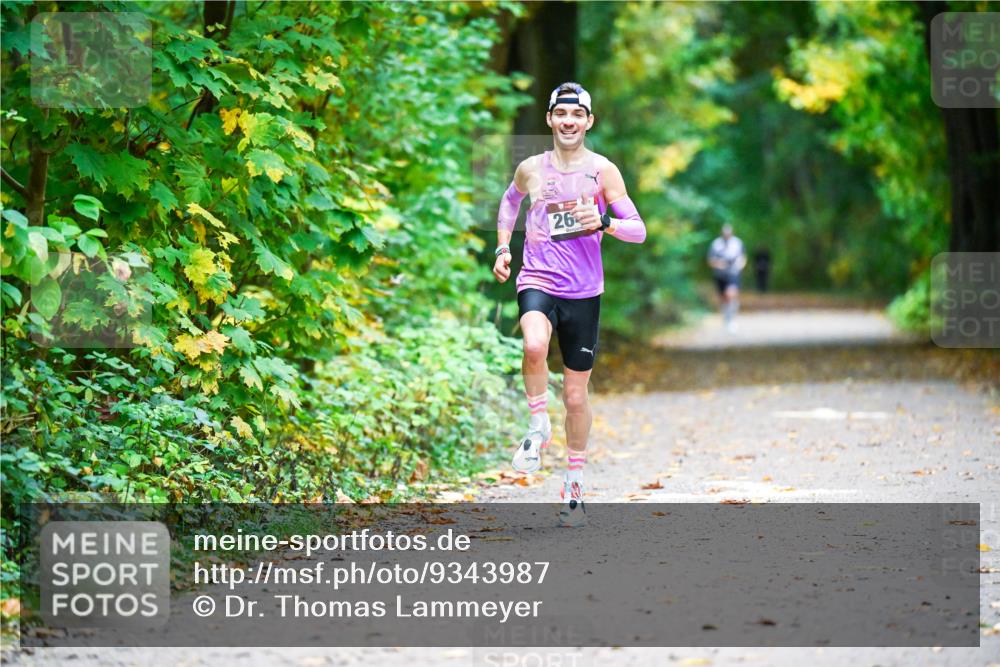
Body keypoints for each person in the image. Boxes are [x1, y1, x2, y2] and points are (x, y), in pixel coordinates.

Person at [492, 82, 646, 527]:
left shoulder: (603, 172)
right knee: (534, 345)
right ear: (549, 119)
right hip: (538, 278)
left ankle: (574, 485)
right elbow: (509, 204)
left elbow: (638, 230)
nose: (568, 121)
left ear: (588, 122)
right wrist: (503, 249)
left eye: (577, 115)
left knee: (577, 398)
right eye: (561, 114)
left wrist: (604, 221)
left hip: (584, 292)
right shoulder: (529, 169)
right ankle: (538, 425)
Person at [707, 224, 746, 333]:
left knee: (731, 294)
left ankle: (731, 319)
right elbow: (711, 260)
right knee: (723, 298)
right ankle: (726, 318)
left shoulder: (737, 243)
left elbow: (743, 257)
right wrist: (720, 264)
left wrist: (739, 266)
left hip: (733, 273)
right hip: (720, 275)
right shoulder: (716, 244)